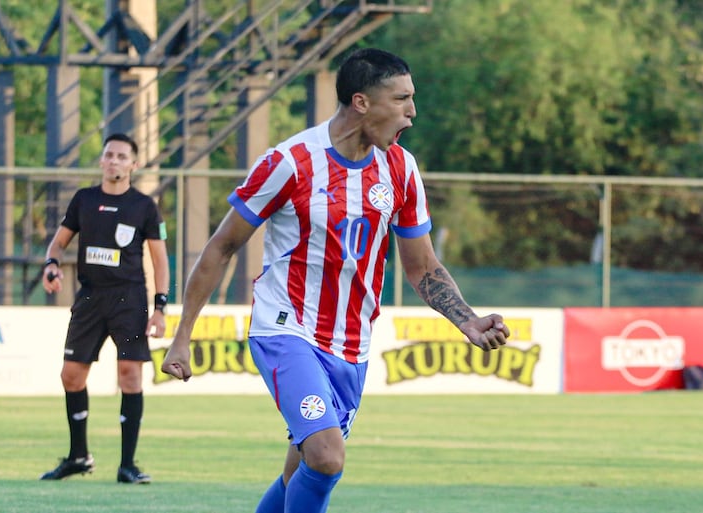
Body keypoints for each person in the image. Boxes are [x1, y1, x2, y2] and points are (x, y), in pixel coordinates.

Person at [161, 48, 510, 511]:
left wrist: (466, 320)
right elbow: (221, 247)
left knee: (299, 472)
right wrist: (183, 335)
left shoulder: (402, 169)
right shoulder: (290, 162)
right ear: (362, 102)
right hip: (286, 327)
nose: (412, 111)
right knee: (326, 456)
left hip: (351, 343)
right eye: (402, 99)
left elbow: (422, 266)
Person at [39, 133, 170, 484]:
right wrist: (51, 264)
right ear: (101, 161)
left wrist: (160, 306)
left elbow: (160, 260)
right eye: (109, 155)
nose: (114, 161)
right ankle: (78, 456)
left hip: (129, 298)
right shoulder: (84, 199)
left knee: (130, 374)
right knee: (71, 374)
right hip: (90, 297)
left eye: (121, 156)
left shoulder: (144, 206)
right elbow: (59, 242)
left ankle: (127, 465)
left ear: (133, 164)